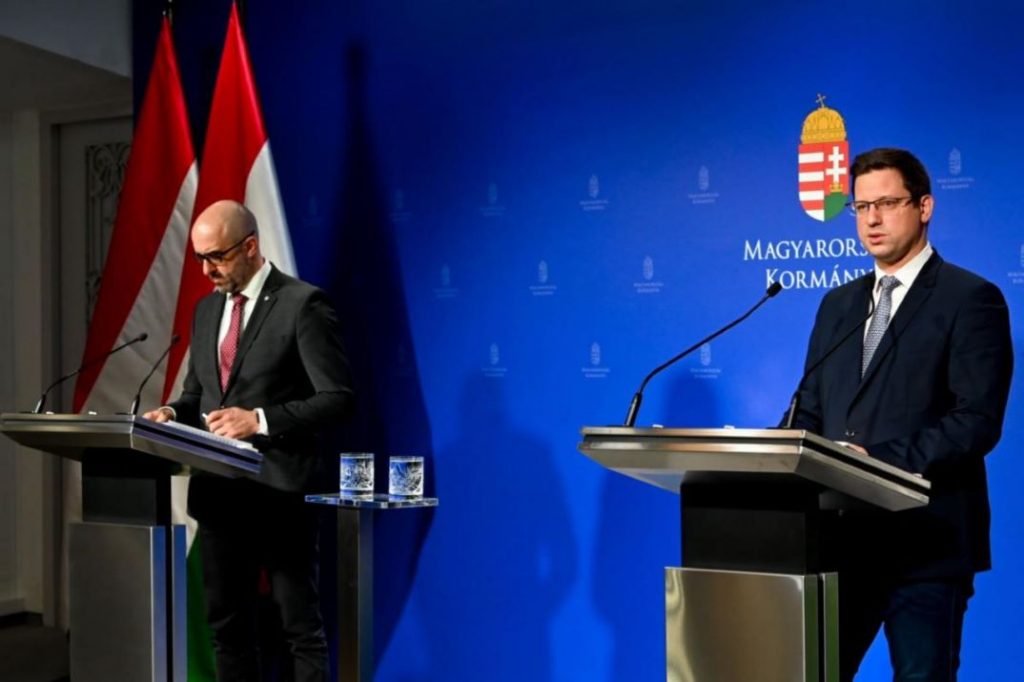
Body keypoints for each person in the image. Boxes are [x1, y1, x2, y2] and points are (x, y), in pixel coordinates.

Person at [788, 148, 1013, 681]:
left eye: (887, 203)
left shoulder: (970, 298)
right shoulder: (838, 305)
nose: (872, 219)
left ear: (924, 207)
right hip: (838, 545)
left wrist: (872, 462)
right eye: (861, 207)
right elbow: (810, 408)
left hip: (925, 547)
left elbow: (975, 420)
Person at [145, 199, 354, 682]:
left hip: (279, 492)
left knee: (298, 627)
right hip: (220, 494)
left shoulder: (303, 304)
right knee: (228, 628)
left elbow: (338, 399)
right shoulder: (205, 310)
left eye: (216, 257)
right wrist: (171, 413)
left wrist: (258, 420)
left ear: (251, 247)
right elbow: (198, 395)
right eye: (200, 258)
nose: (206, 270)